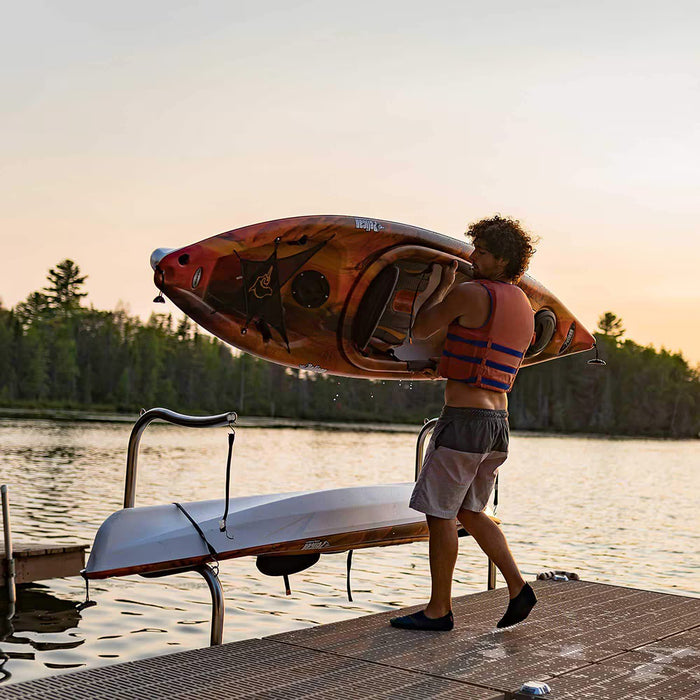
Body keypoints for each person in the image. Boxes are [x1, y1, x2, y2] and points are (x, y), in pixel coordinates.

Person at [390, 215, 538, 632]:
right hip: (498, 423)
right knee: (472, 512)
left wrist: (439, 284)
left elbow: (420, 326)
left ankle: (439, 610)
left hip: (465, 421)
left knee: (440, 515)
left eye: (484, 252)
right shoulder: (524, 305)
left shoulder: (471, 292)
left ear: (503, 259)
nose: (475, 257)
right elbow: (483, 349)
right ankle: (518, 588)